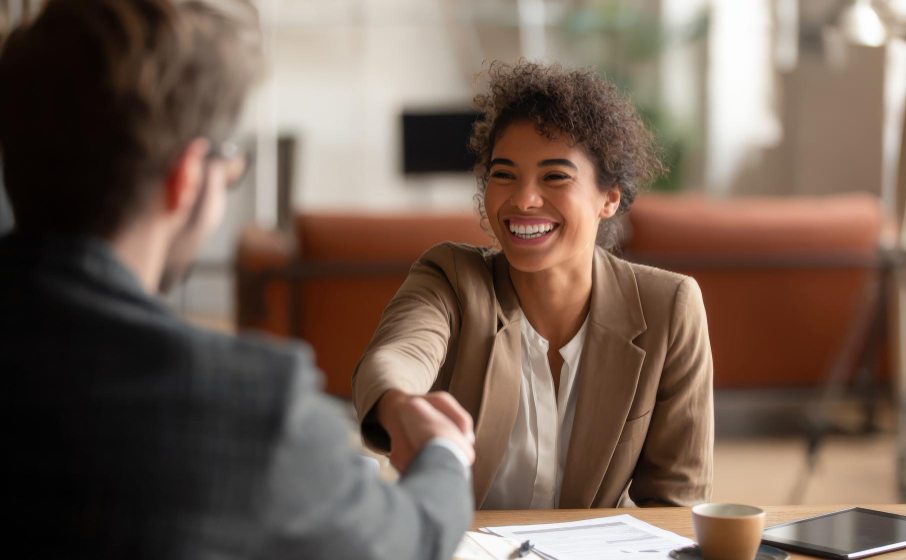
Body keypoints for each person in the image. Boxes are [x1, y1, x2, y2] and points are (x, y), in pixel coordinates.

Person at [0, 1, 474, 558]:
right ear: (186, 178)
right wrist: (444, 452)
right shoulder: (245, 410)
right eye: (228, 160)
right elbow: (411, 539)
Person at [353, 61, 715, 510]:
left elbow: (677, 504)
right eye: (504, 174)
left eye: (554, 176)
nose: (523, 199)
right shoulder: (450, 277)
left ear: (609, 197)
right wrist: (401, 404)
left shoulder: (670, 307)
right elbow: (398, 355)